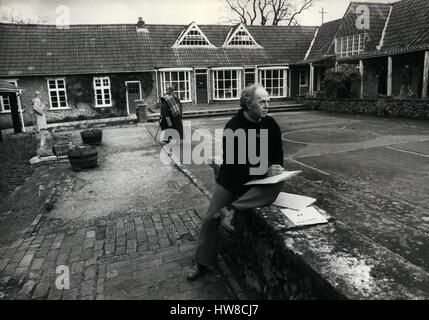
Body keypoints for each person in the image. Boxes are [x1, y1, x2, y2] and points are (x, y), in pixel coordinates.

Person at [186, 84, 285, 281]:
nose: (267, 106)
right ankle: (202, 263)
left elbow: (277, 153)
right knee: (209, 220)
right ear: (248, 104)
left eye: (268, 102)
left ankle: (230, 209)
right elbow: (233, 165)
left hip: (258, 180)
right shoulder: (233, 126)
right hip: (232, 180)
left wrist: (276, 168)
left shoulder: (271, 124)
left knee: (277, 187)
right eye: (262, 102)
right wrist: (264, 170)